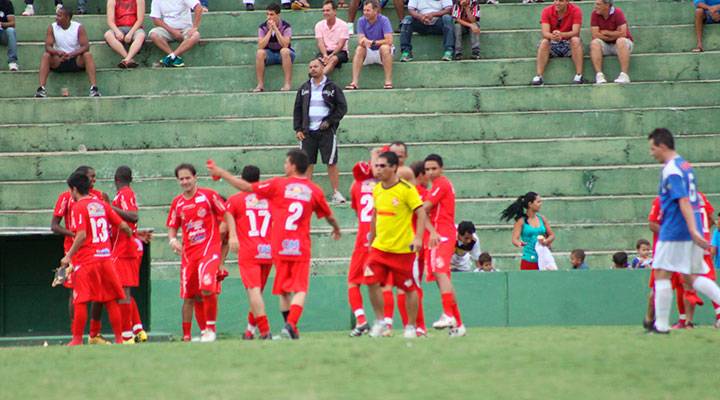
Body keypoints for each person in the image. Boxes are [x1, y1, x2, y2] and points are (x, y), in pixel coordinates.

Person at [207, 150, 342, 340]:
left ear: (293, 165)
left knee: (268, 291)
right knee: (298, 290)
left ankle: (267, 330)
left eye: (286, 162)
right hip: (289, 248)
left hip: (276, 248)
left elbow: (244, 191)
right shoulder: (313, 190)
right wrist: (336, 228)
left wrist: (222, 173)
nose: (284, 165)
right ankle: (288, 326)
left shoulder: (277, 185)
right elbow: (329, 216)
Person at [647, 128, 720, 334]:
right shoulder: (685, 166)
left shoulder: (672, 170)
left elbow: (683, 200)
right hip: (691, 227)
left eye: (653, 148)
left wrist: (691, 230)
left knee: (662, 273)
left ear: (663, 146)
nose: (651, 153)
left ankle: (661, 326)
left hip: (675, 230)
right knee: (692, 277)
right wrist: (695, 229)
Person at [167, 163, 239, 343]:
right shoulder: (177, 203)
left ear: (195, 178)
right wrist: (173, 239)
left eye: (188, 178)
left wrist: (233, 236)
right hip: (189, 255)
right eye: (181, 179)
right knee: (191, 296)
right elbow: (172, 226)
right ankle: (196, 334)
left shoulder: (208, 196)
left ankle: (210, 329)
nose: (185, 182)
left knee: (207, 287)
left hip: (209, 250)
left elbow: (227, 214)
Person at [62, 172, 132, 346]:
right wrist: (132, 236)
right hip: (105, 259)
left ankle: (77, 339)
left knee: (80, 300)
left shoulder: (79, 206)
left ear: (74, 189)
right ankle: (119, 339)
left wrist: (68, 256)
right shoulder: (100, 204)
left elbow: (81, 235)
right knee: (110, 299)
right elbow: (123, 225)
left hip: (87, 260)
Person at [365, 151, 427, 339]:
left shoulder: (406, 189)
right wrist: (371, 239)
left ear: (394, 168)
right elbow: (375, 215)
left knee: (408, 288)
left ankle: (411, 326)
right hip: (380, 248)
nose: (378, 169)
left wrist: (418, 238)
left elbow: (421, 213)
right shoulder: (377, 189)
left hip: (402, 250)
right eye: (377, 166)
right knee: (370, 280)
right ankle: (380, 321)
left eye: (383, 166)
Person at [51, 165, 113, 344]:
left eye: (94, 176)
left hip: (95, 251)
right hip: (73, 252)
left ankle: (94, 334)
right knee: (75, 292)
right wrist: (74, 234)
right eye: (91, 177)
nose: (94, 180)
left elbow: (109, 220)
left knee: (99, 292)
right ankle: (76, 334)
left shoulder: (100, 196)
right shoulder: (66, 197)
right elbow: (54, 225)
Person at [225, 165, 274, 340]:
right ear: (259, 179)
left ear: (242, 179)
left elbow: (225, 220)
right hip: (268, 250)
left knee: (254, 292)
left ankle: (265, 331)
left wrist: (231, 235)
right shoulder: (270, 200)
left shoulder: (235, 200)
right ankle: (250, 331)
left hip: (249, 250)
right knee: (257, 294)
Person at [422, 154, 466, 337]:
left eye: (434, 168)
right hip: (441, 232)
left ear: (441, 169)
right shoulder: (437, 185)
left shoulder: (441, 184)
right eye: (427, 169)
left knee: (440, 272)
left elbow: (423, 209)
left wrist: (432, 231)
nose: (431, 172)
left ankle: (448, 314)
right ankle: (458, 324)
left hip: (442, 233)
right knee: (443, 277)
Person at [294, 59, 348, 204]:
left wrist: (330, 121)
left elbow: (342, 107)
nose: (313, 69)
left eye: (316, 66)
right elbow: (297, 109)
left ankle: (336, 192)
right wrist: (298, 128)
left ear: (323, 67)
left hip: (326, 131)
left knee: (331, 162)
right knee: (307, 163)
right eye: (310, 67)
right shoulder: (304, 88)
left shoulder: (332, 87)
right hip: (307, 132)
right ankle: (305, 194)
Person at [109, 166, 149, 344]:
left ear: (115, 179)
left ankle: (126, 335)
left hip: (124, 248)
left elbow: (133, 216)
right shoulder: (123, 194)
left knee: (121, 291)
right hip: (124, 246)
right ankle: (137, 329)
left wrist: (109, 208)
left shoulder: (125, 194)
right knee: (122, 290)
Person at [35, 7, 100, 98]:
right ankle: (41, 89)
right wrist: (58, 52)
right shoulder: (52, 27)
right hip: (59, 60)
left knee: (87, 55)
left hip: (75, 59)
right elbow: (48, 46)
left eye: (59, 16)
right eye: (57, 15)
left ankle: (94, 88)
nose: (56, 18)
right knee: (46, 56)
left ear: (67, 17)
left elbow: (86, 46)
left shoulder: (78, 27)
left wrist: (71, 54)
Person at [347, 158, 377, 336]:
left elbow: (357, 210)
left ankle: (361, 320)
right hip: (382, 238)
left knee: (353, 282)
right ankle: (385, 322)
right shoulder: (383, 186)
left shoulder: (356, 187)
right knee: (382, 284)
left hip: (363, 240)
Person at [532, 0, 584, 86]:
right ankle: (539, 76)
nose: (557, 3)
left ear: (567, 1)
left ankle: (579, 75)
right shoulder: (547, 11)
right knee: (544, 42)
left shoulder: (576, 10)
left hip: (568, 43)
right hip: (553, 43)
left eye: (561, 1)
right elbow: (545, 33)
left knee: (576, 40)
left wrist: (562, 35)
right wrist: (553, 36)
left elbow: (576, 32)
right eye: (555, 0)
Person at [346, 0, 394, 90]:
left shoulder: (384, 20)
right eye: (364, 10)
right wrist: (365, 41)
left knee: (385, 48)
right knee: (359, 49)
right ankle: (354, 82)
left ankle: (388, 81)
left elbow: (389, 40)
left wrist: (374, 42)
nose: (365, 13)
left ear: (375, 11)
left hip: (381, 51)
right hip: (368, 50)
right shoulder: (361, 20)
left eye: (368, 10)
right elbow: (361, 39)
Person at [500, 192, 556, 270]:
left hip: (543, 258)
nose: (540, 204)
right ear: (530, 204)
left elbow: (552, 235)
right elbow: (515, 239)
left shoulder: (542, 218)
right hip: (529, 259)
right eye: (538, 202)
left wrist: (546, 241)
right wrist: (520, 243)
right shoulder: (521, 221)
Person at [149, 0, 202, 68]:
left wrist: (195, 27)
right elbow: (156, 20)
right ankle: (174, 57)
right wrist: (173, 31)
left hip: (185, 29)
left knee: (195, 35)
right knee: (153, 34)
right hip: (168, 30)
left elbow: (198, 7)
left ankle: (171, 57)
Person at [590, 0, 633, 84]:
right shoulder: (595, 14)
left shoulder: (618, 13)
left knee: (621, 41)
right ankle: (599, 75)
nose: (595, 6)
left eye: (598, 4)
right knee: (595, 43)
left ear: (607, 5)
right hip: (606, 45)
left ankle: (624, 75)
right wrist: (615, 34)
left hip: (621, 45)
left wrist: (606, 32)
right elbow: (595, 35)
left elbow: (623, 33)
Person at [255, 3, 294, 92]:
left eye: (272, 14)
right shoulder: (262, 27)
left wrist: (276, 29)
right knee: (259, 53)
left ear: (278, 15)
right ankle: (260, 85)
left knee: (284, 51)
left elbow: (285, 44)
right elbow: (260, 46)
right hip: (270, 53)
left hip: (285, 55)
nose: (269, 17)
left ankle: (287, 84)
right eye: (267, 14)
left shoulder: (286, 26)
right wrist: (270, 31)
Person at [104, 0, 146, 68]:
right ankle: (128, 59)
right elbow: (110, 21)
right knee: (108, 35)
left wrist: (130, 33)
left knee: (141, 35)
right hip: (119, 28)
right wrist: (117, 32)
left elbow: (140, 20)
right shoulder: (112, 1)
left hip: (135, 28)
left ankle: (126, 59)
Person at [315, 0, 349, 76]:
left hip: (340, 52)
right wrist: (325, 55)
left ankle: (319, 78)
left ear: (335, 11)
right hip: (325, 52)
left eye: (328, 10)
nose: (325, 13)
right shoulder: (319, 25)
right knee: (316, 62)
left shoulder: (343, 25)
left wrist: (331, 55)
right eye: (323, 11)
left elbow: (341, 45)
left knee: (333, 59)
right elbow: (320, 43)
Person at [0, 0, 18, 71]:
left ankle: (12, 61)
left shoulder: (6, 3)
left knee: (11, 30)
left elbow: (12, 23)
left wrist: (1, 24)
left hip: (2, 33)